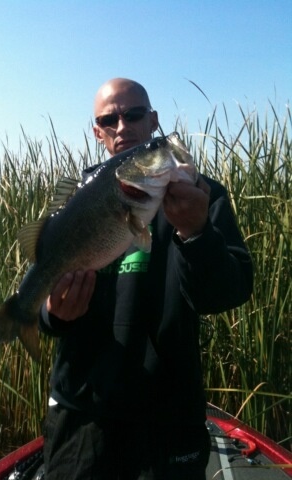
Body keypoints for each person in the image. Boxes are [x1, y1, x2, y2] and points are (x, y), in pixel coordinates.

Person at [40, 78, 253, 479]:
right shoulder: (74, 205)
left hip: (168, 421)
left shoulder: (200, 197)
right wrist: (53, 314)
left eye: (134, 114)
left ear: (152, 120)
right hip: (84, 417)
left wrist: (196, 233)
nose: (122, 126)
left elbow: (227, 293)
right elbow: (44, 301)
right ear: (97, 132)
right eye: (109, 119)